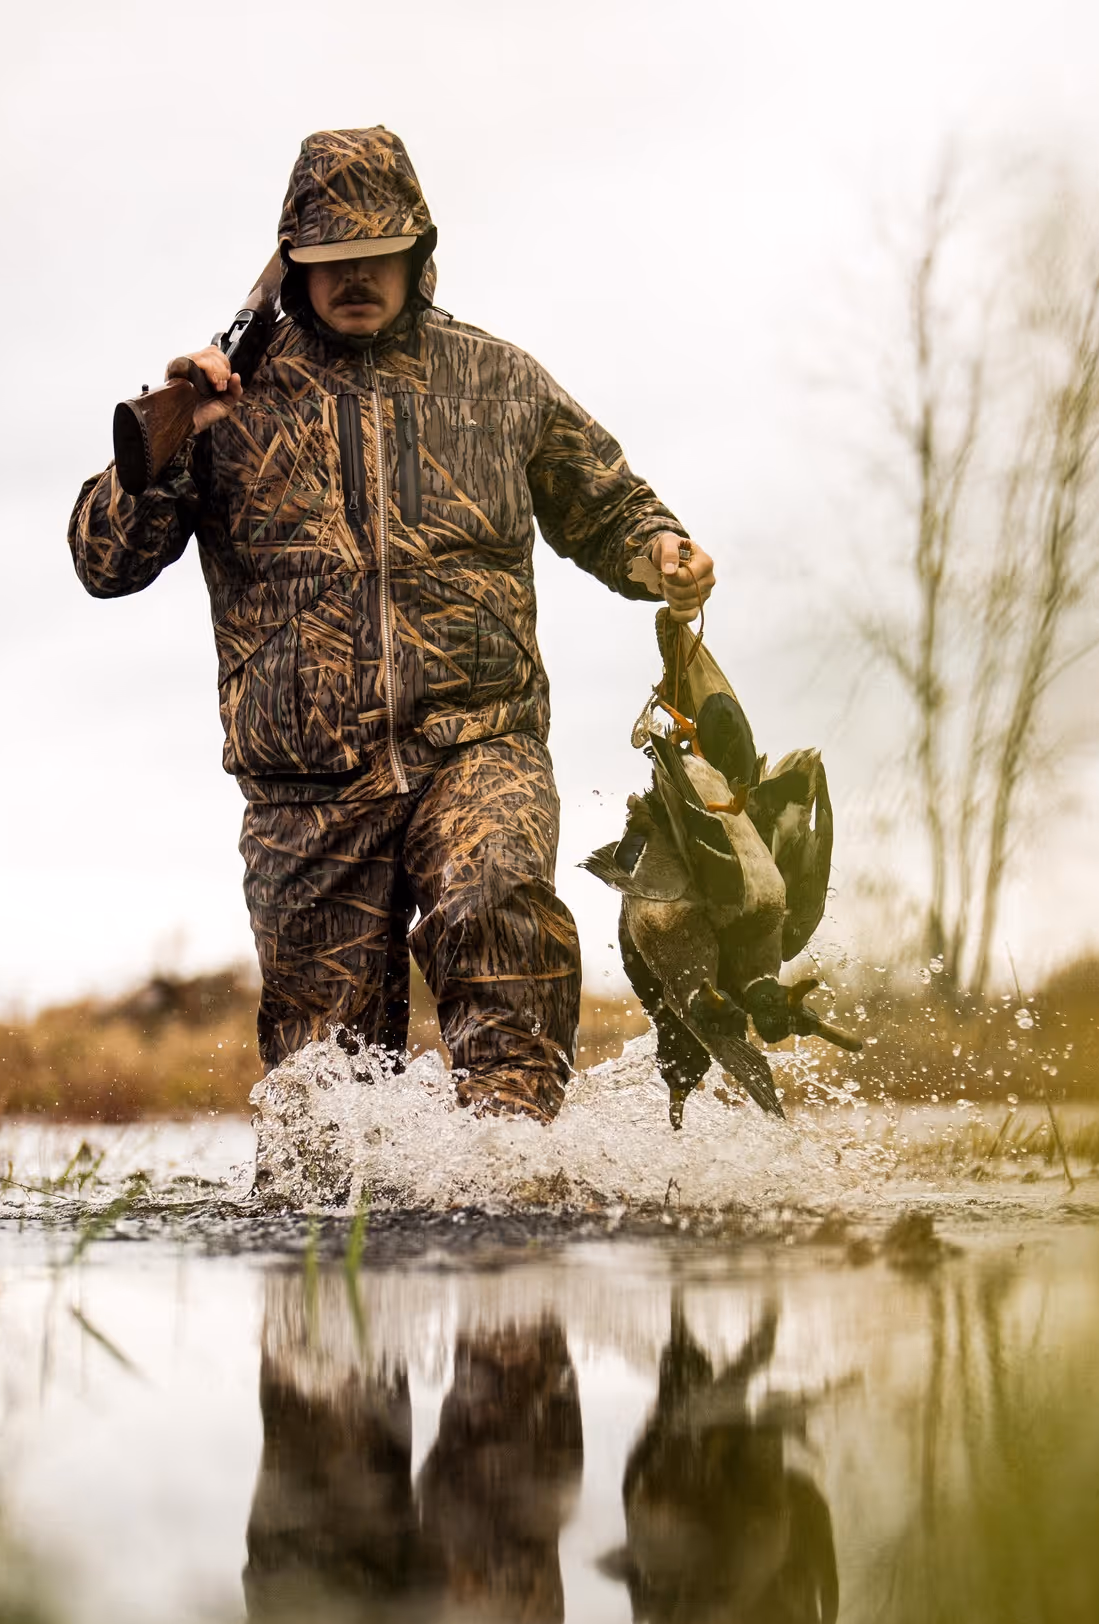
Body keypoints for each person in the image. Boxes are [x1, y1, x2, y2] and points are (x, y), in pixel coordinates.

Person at [69, 126, 714, 1122]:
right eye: (332, 260)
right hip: (305, 789)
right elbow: (102, 560)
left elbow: (611, 506)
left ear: (421, 255)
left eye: (380, 254)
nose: (357, 276)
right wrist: (158, 452)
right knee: (327, 1102)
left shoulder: (500, 381)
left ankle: (516, 1185)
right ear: (296, 268)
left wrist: (662, 553)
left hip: (479, 739)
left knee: (498, 898)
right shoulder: (224, 400)